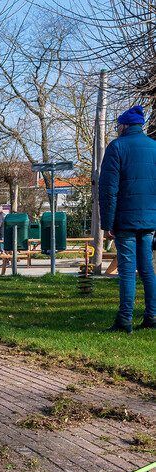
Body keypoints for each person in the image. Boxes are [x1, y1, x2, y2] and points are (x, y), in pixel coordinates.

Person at [99, 105, 156, 333]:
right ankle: (152, 316)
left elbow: (108, 190)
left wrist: (107, 223)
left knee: (127, 270)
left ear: (123, 126)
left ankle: (125, 320)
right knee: (147, 270)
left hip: (125, 221)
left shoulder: (117, 147)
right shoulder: (154, 147)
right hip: (150, 220)